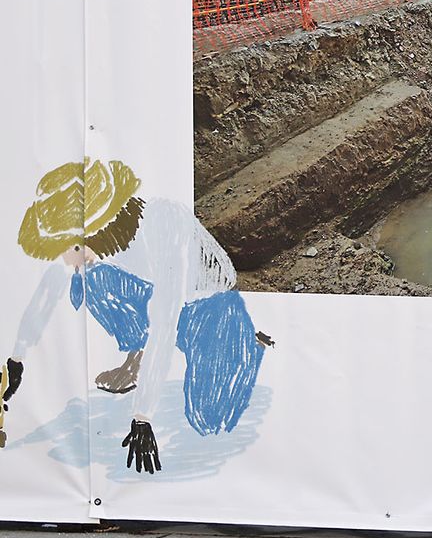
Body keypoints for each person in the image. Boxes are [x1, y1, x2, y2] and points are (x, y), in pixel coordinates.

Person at [7, 157, 271, 470]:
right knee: (91, 279)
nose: (67, 257)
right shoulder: (95, 252)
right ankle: (136, 359)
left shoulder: (164, 223)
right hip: (148, 293)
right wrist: (16, 360)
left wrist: (142, 417)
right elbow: (48, 289)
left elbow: (165, 322)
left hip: (206, 309)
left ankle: (244, 343)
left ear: (101, 229)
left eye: (72, 246)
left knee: (210, 422)